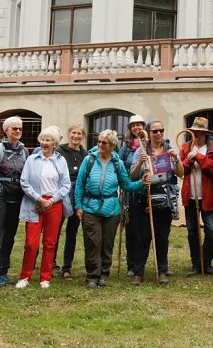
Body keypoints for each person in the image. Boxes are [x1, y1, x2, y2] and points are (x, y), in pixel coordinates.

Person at [75, 129, 149, 288]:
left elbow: (126, 184)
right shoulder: (89, 160)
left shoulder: (118, 163)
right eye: (99, 141)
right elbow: (79, 185)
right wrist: (78, 206)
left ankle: (104, 274)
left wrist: (142, 183)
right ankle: (92, 276)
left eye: (104, 142)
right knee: (93, 243)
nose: (100, 145)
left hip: (112, 209)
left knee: (107, 244)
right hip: (90, 207)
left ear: (112, 146)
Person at [16, 126, 72, 289]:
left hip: (54, 204)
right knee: (31, 243)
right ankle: (25, 275)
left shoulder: (61, 161)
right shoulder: (32, 160)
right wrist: (39, 198)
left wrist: (52, 200)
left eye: (48, 140)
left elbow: (66, 184)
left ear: (54, 143)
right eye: (42, 140)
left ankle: (45, 277)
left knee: (50, 243)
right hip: (34, 203)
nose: (44, 143)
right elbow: (24, 182)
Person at [128, 119, 183, 285]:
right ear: (149, 133)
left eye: (161, 130)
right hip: (145, 199)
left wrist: (177, 160)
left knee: (162, 237)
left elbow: (180, 173)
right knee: (142, 237)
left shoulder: (169, 149)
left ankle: (162, 271)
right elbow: (132, 176)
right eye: (155, 131)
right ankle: (139, 272)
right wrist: (139, 163)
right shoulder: (141, 150)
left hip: (165, 199)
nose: (159, 134)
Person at [179, 117, 213, 276]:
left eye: (199, 132)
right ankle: (196, 263)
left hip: (208, 196)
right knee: (192, 231)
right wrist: (187, 161)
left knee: (210, 229)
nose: (196, 134)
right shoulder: (185, 147)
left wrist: (199, 157)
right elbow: (181, 171)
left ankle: (207, 263)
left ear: (205, 133)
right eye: (194, 131)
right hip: (190, 196)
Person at [0, 116, 28, 286]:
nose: (17, 131)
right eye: (14, 129)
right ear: (6, 131)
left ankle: (3, 270)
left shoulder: (24, 151)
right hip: (0, 196)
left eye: (19, 128)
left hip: (16, 197)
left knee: (10, 235)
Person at [54, 124, 88, 280]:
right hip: (61, 195)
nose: (76, 136)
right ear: (69, 134)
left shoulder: (85, 155)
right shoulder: (59, 152)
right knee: (55, 231)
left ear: (83, 136)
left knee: (72, 233)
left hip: (77, 195)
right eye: (73, 133)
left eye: (79, 133)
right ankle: (51, 263)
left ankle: (67, 266)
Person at [120, 114, 146, 277]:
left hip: (147, 192)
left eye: (139, 125)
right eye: (133, 125)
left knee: (144, 231)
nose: (137, 128)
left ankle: (141, 262)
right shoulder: (125, 148)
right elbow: (122, 170)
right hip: (131, 194)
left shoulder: (149, 144)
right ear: (130, 128)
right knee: (132, 230)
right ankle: (131, 263)